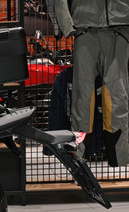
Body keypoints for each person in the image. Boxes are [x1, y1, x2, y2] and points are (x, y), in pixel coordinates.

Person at [51, 0, 128, 166]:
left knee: (117, 96)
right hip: (84, 28)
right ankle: (78, 157)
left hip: (119, 28)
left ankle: (118, 158)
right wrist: (67, 26)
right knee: (83, 98)